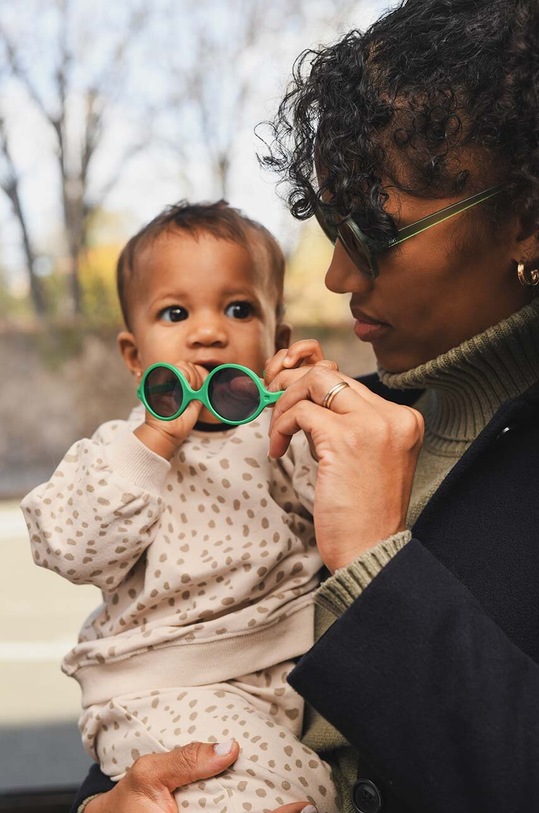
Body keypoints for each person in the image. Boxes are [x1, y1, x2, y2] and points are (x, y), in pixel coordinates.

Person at [62, 0, 539, 810]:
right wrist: (107, 801)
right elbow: (186, 674)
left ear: (526, 218)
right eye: (325, 226)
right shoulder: (321, 429)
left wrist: (372, 561)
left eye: (372, 231)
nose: (337, 277)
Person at [21, 200, 339, 813]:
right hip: (159, 685)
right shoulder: (120, 451)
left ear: (277, 339)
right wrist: (155, 443)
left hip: (278, 677)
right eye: (174, 312)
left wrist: (314, 407)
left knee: (311, 785)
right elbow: (64, 544)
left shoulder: (286, 433)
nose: (208, 331)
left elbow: (344, 523)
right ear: (135, 355)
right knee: (287, 795)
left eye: (238, 308)